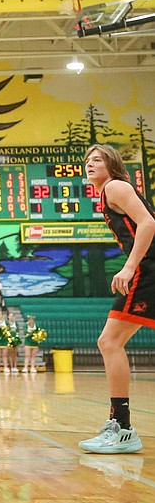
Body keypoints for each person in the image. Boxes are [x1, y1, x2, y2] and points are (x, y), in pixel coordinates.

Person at [79, 144, 152, 454]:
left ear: (113, 165)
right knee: (110, 343)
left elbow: (149, 223)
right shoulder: (109, 193)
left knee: (109, 342)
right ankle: (121, 426)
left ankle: (122, 428)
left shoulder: (116, 187)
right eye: (88, 160)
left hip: (148, 269)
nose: (90, 164)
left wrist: (129, 266)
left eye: (98, 159)